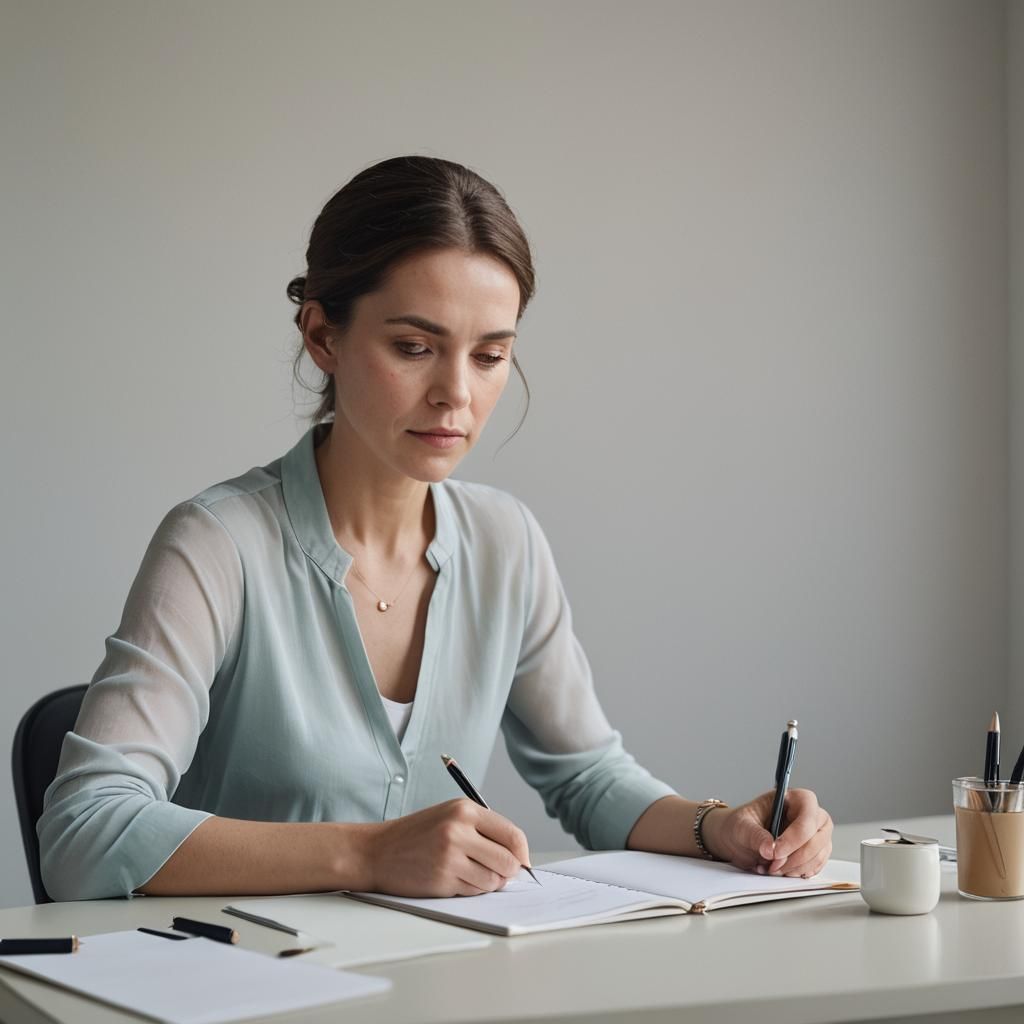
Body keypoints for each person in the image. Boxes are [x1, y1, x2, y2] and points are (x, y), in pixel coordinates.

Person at [38, 155, 833, 901]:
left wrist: (716, 827)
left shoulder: (505, 542)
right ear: (322, 336)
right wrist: (370, 854)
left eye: (490, 356)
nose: (456, 393)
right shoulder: (217, 545)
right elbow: (83, 831)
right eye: (415, 347)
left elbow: (588, 777)